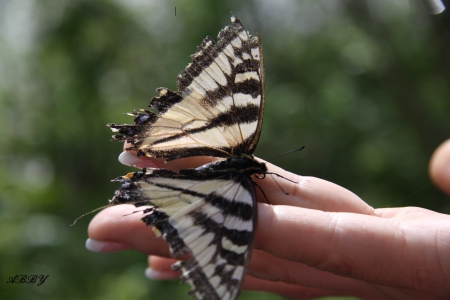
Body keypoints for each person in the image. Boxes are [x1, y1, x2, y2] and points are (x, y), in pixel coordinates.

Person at [86, 140, 450, 299]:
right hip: (209, 190)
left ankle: (146, 188)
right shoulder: (248, 186)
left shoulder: (242, 165)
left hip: (205, 184)